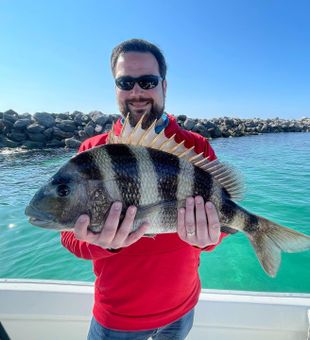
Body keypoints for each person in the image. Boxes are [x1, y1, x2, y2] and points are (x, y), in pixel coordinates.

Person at [61, 39, 228, 340]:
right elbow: (69, 237)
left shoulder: (196, 147)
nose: (136, 92)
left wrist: (207, 240)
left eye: (147, 81)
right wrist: (103, 243)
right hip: (117, 318)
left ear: (165, 86)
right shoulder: (92, 152)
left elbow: (220, 225)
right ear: (116, 89)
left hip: (182, 309)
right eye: (126, 82)